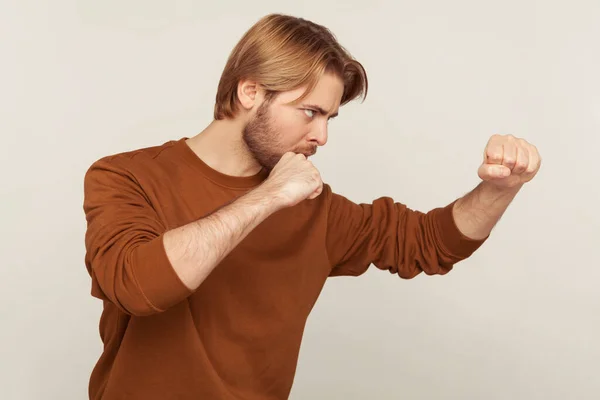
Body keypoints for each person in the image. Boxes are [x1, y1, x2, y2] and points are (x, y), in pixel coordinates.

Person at [82, 13, 541, 400]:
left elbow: (427, 242)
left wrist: (501, 189)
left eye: (330, 117)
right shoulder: (125, 177)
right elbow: (138, 286)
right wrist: (267, 198)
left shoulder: (317, 209)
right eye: (310, 112)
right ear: (250, 93)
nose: (322, 136)